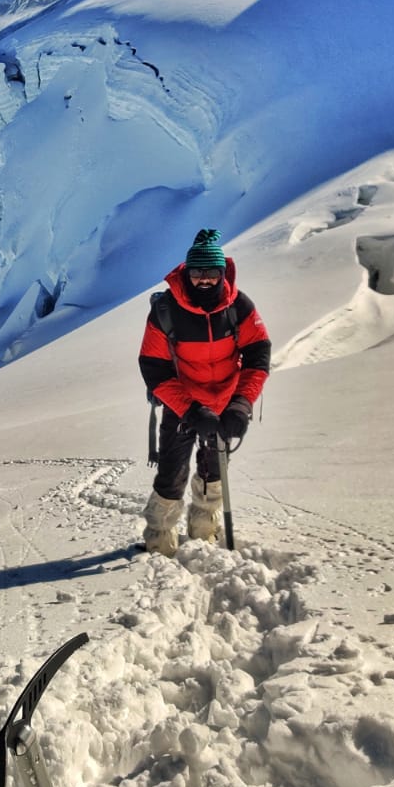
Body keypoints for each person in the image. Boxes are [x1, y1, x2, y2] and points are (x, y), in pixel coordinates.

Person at [138, 227, 271, 554]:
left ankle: (204, 530)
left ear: (222, 273)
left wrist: (241, 403)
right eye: (198, 272)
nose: (205, 280)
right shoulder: (166, 311)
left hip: (226, 404)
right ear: (188, 273)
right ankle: (159, 541)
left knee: (214, 470)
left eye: (212, 272)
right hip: (183, 405)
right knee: (172, 474)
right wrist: (191, 410)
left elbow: (259, 353)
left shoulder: (238, 306)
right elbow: (154, 368)